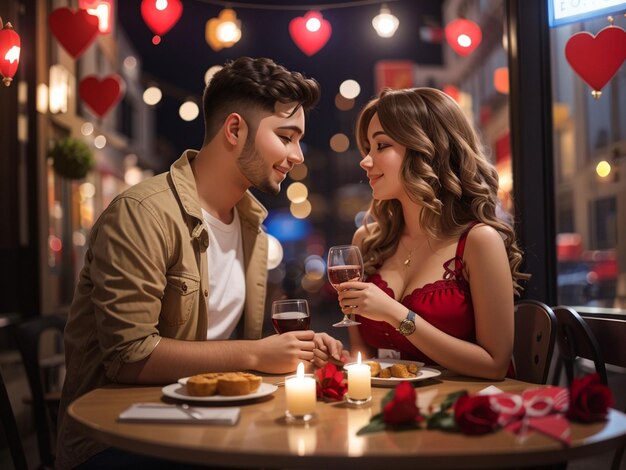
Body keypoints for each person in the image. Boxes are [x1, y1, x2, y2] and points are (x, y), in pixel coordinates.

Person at [57, 57, 345, 469]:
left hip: (213, 423)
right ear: (234, 129)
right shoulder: (142, 213)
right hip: (121, 439)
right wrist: (255, 355)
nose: (297, 155)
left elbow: (240, 349)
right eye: (286, 137)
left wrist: (292, 349)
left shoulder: (254, 228)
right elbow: (129, 356)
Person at [336, 87, 529, 380]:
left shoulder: (478, 241)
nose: (365, 161)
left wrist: (396, 314)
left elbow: (495, 365)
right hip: (391, 412)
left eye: (381, 146)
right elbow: (366, 360)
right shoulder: (367, 241)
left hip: (467, 411)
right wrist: (339, 356)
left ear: (425, 149)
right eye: (367, 148)